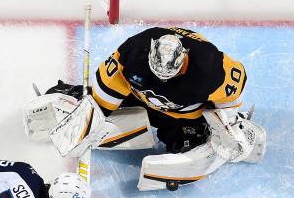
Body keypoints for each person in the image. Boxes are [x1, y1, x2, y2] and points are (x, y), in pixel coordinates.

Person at [48, 25, 247, 153]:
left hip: (180, 115)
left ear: (182, 57)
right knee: (96, 106)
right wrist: (95, 110)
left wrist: (227, 122)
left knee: (188, 145)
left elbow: (231, 97)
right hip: (139, 96)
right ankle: (73, 96)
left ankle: (197, 131)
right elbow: (111, 82)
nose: (162, 77)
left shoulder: (210, 67)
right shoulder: (136, 50)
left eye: (168, 74)